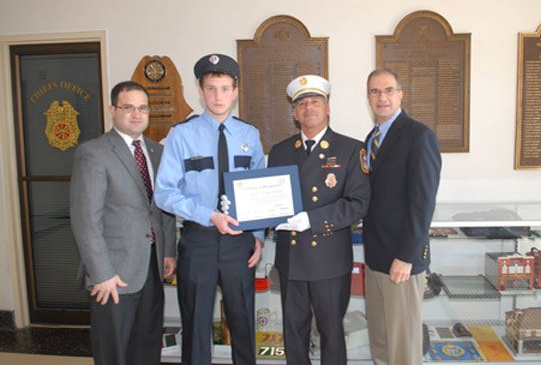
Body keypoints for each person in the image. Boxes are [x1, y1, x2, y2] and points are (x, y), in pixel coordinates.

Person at [154, 53, 264, 365]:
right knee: (196, 322)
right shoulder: (181, 135)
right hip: (198, 240)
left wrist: (257, 235)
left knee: (243, 321)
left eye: (225, 88)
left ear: (235, 92)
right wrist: (209, 215)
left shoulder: (249, 134)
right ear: (200, 92)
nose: (218, 96)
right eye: (211, 89)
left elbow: (259, 188)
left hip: (239, 241)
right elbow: (164, 193)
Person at [70, 80, 177, 365]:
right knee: (114, 350)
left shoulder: (156, 152)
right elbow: (85, 220)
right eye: (128, 107)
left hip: (151, 267)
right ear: (112, 110)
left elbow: (162, 207)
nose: (137, 114)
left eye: (143, 108)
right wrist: (101, 273)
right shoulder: (94, 152)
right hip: (113, 274)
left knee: (147, 343)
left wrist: (168, 251)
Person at [268, 75, 370, 365]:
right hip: (291, 258)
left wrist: (311, 220)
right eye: (301, 104)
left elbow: (358, 204)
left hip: (329, 259)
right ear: (294, 112)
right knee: (294, 332)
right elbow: (270, 199)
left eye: (315, 102)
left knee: (331, 332)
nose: (308, 108)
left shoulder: (351, 149)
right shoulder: (280, 151)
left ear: (327, 108)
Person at [363, 68, 442, 365]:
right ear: (368, 97)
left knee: (403, 348)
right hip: (376, 258)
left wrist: (407, 257)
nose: (381, 97)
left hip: (401, 262)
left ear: (400, 95)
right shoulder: (372, 138)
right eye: (375, 91)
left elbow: (423, 204)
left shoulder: (419, 136)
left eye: (388, 90)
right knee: (381, 341)